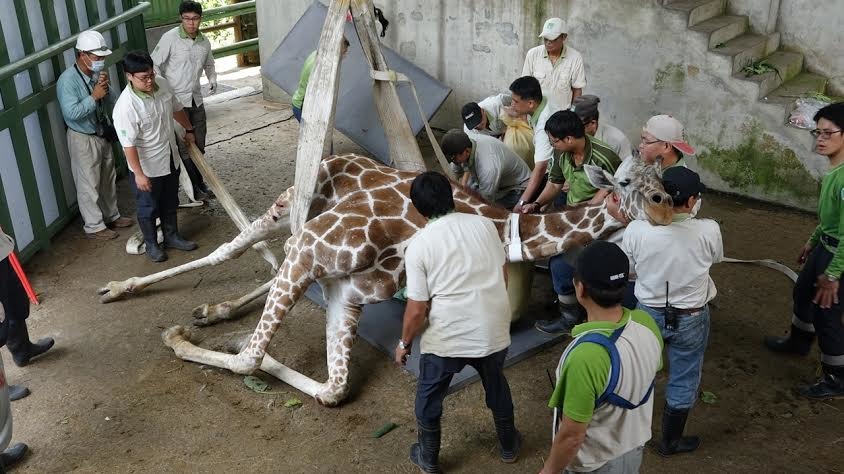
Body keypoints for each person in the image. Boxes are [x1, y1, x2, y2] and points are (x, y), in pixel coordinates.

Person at [395, 172, 520, 472]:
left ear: (418, 209)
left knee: (428, 397)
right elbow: (503, 275)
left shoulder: (419, 245)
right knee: (496, 384)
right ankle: (508, 445)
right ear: (452, 196)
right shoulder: (485, 225)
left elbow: (417, 310)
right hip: (492, 329)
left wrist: (404, 343)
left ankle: (428, 458)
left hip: (448, 338)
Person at [622, 166, 723, 456]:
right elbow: (716, 258)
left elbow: (630, 268)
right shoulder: (709, 229)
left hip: (648, 311)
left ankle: (630, 432)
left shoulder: (636, 229)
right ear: (691, 201)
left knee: (640, 370)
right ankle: (670, 441)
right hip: (692, 315)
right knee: (685, 374)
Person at [541, 241, 662, 474]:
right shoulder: (645, 322)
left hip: (596, 464)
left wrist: (548, 471)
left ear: (580, 289)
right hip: (633, 448)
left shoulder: (585, 356)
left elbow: (572, 436)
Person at [764, 102, 844, 399]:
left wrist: (833, 274)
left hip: (838, 254)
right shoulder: (835, 170)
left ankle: (837, 377)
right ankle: (799, 343)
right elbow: (831, 220)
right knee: (802, 292)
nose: (820, 139)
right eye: (817, 132)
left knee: (827, 313)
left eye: (828, 133)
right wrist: (812, 241)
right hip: (826, 245)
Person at [523, 110, 621, 335]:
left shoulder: (604, 157)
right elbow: (555, 184)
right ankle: (571, 306)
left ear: (568, 139)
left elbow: (610, 194)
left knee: (562, 264)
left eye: (554, 141)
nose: (552, 145)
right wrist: (536, 204)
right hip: (575, 216)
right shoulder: (562, 153)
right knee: (558, 259)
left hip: (600, 221)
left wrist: (581, 211)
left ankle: (573, 316)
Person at [112, 51, 199, 263]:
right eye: (144, 78)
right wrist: (139, 174)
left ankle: (172, 236)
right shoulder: (126, 106)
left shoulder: (162, 85)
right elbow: (128, 145)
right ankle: (152, 244)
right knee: (148, 207)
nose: (150, 81)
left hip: (169, 155)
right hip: (147, 166)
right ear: (129, 76)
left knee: (170, 200)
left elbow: (176, 108)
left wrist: (189, 129)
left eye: (151, 74)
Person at [56, 30, 133, 240]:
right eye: (97, 57)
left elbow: (111, 100)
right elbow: (71, 113)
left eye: (102, 58)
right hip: (82, 137)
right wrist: (93, 97)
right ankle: (94, 226)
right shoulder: (67, 81)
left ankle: (112, 215)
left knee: (108, 178)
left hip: (101, 133)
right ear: (83, 55)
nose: (101, 61)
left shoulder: (96, 74)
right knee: (88, 183)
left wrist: (105, 89)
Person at [151, 0, 218, 201]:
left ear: (200, 19)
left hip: (196, 99)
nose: (191, 23)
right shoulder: (170, 38)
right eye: (187, 19)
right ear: (181, 18)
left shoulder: (204, 42)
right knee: (185, 148)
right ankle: (194, 191)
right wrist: (163, 89)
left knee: (199, 145)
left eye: (195, 19)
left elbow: (209, 64)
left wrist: (212, 79)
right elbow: (154, 64)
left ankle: (200, 184)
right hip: (176, 101)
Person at [508, 76, 561, 213]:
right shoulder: (543, 98)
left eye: (515, 101)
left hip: (561, 173)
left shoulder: (545, 125)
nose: (512, 105)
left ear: (531, 103)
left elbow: (541, 167)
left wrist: (522, 202)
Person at [440, 129, 531, 209]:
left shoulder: (488, 167)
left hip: (516, 188)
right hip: (495, 180)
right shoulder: (466, 143)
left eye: (454, 159)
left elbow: (485, 200)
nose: (454, 162)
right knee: (468, 190)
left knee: (476, 207)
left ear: (466, 151)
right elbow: (454, 172)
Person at [522, 17, 586, 110]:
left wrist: (572, 113)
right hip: (536, 114)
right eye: (545, 39)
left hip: (562, 114)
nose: (548, 43)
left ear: (564, 37)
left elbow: (577, 90)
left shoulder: (575, 58)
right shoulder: (533, 54)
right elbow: (524, 87)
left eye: (553, 39)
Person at [291, 38, 350, 122]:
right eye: (343, 52)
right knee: (311, 129)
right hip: (302, 106)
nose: (345, 56)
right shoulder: (321, 67)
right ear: (335, 50)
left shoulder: (316, 53)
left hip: (298, 101)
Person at [571, 95, 633, 161]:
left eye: (577, 126)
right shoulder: (572, 137)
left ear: (593, 123)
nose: (572, 130)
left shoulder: (617, 140)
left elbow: (627, 165)